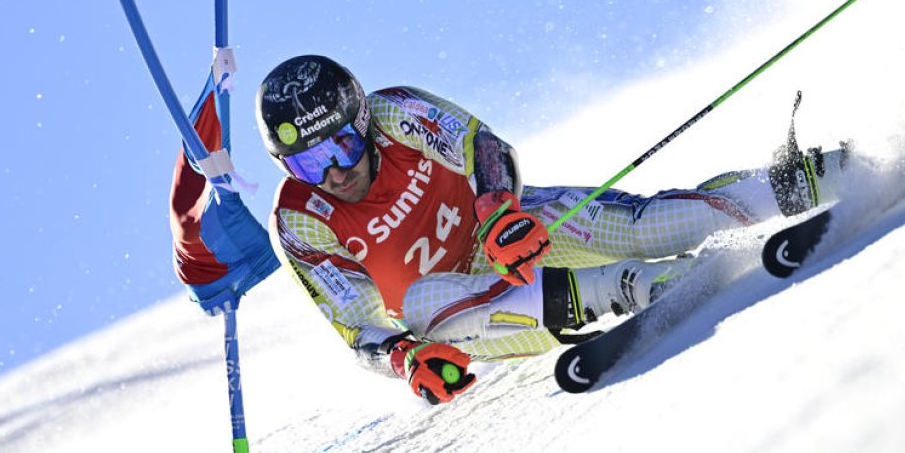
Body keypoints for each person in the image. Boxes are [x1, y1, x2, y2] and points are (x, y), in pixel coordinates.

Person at [256, 55, 847, 404]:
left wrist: (496, 210)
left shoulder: (394, 113)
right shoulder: (302, 219)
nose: (333, 171)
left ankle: (818, 178)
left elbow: (482, 145)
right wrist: (407, 361)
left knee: (653, 222)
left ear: (360, 120)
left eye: (339, 144)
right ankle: (651, 287)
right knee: (419, 299)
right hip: (475, 314)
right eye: (308, 162)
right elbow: (358, 327)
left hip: (509, 232)